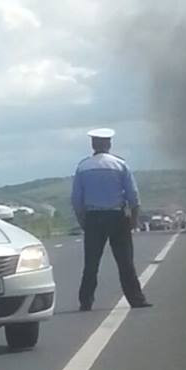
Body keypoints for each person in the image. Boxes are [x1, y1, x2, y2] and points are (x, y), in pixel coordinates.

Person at [71, 128, 152, 311]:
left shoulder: (83, 167)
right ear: (109, 144)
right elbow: (133, 195)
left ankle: (86, 301)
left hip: (93, 218)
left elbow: (76, 199)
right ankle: (136, 299)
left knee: (91, 263)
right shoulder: (120, 165)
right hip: (117, 217)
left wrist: (82, 220)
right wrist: (134, 218)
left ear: (93, 144)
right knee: (125, 262)